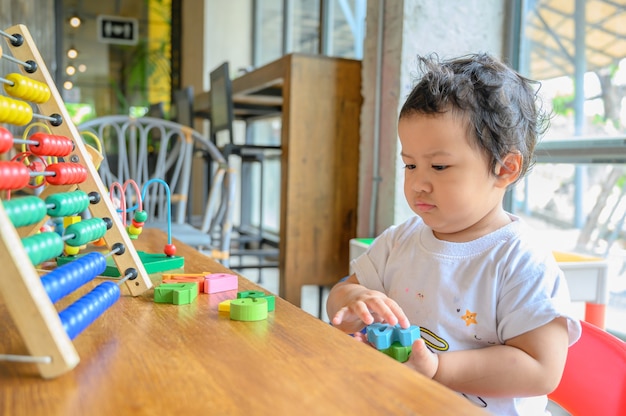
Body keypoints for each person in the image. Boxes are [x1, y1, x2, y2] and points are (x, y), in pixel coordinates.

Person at [326, 53, 582, 415]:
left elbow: (541, 370)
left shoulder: (519, 260)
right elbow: (339, 295)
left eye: (439, 166)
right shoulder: (400, 240)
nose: (417, 183)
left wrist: (437, 368)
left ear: (504, 169)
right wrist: (355, 300)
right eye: (410, 164)